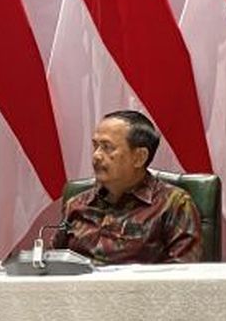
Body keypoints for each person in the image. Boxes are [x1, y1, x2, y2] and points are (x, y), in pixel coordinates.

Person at [56, 110, 202, 264]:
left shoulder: (173, 204)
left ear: (140, 157)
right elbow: (53, 265)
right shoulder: (76, 204)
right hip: (78, 288)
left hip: (140, 288)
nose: (96, 156)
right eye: (95, 146)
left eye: (107, 147)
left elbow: (183, 277)